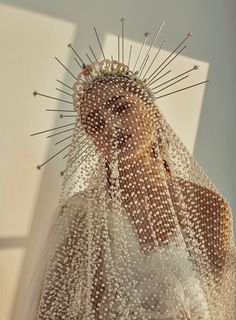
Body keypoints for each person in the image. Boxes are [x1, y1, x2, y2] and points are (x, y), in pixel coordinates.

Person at [28, 67, 235, 320]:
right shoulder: (80, 213)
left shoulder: (209, 206)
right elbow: (51, 313)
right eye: (96, 124)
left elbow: (221, 308)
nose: (111, 126)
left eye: (121, 108)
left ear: (154, 111)